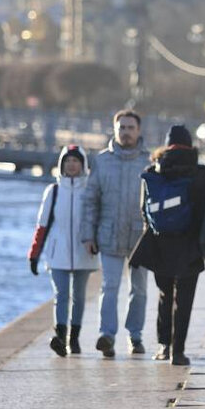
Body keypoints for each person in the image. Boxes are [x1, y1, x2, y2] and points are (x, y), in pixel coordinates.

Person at [129, 125, 205, 367]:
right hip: (190, 244)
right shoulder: (201, 175)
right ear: (190, 145)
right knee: (184, 299)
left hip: (160, 242)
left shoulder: (153, 171)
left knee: (165, 294)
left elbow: (143, 209)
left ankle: (163, 345)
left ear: (166, 145)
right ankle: (179, 351)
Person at [81, 110, 150, 358]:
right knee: (109, 286)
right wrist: (88, 235)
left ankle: (135, 336)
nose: (126, 132)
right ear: (115, 129)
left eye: (131, 127)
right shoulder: (102, 161)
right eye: (122, 127)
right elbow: (90, 201)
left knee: (139, 290)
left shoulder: (149, 161)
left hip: (139, 236)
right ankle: (107, 335)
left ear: (138, 131)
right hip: (108, 234)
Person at [28, 144, 96, 357]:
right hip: (58, 252)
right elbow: (42, 225)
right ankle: (60, 337)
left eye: (76, 161)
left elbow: (98, 219)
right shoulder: (54, 191)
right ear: (62, 164)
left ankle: (74, 339)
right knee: (61, 294)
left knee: (79, 296)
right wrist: (34, 254)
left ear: (83, 164)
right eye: (68, 161)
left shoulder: (90, 189)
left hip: (84, 251)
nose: (72, 164)